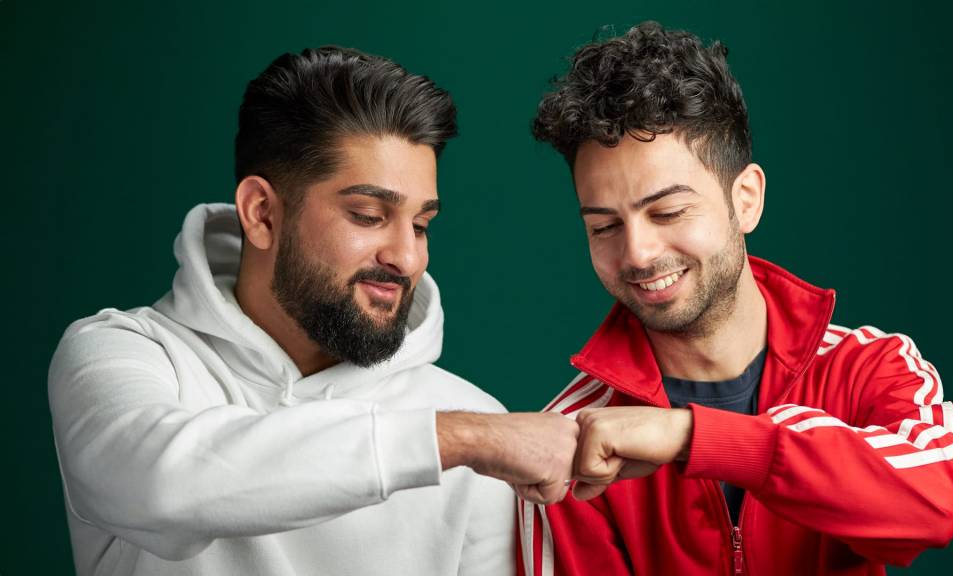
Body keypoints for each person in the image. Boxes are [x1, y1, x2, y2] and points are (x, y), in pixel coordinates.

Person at [48, 46, 578, 576]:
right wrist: (452, 439)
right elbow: (160, 486)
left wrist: (468, 436)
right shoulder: (124, 353)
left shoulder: (474, 421)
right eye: (368, 215)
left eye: (421, 226)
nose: (408, 258)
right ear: (262, 213)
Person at [518, 21, 953, 576]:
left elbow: (932, 503)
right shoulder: (573, 440)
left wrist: (692, 437)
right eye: (605, 226)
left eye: (668, 212)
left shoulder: (868, 367)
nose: (637, 253)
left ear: (747, 200)